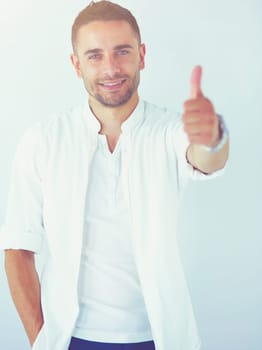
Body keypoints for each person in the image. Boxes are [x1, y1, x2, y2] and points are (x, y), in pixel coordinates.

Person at [0, 1, 229, 350]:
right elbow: (18, 247)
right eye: (94, 55)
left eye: (122, 52)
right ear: (76, 65)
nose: (110, 68)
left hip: (159, 337)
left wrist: (211, 136)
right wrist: (41, 339)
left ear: (142, 55)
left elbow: (205, 157)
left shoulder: (169, 130)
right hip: (69, 340)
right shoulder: (43, 140)